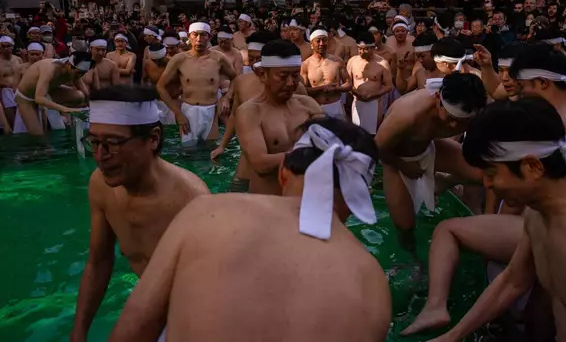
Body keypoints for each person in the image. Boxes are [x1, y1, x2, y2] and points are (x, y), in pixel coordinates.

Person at [107, 117, 391, 342]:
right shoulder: (373, 282)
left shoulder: (208, 212)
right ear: (357, 200)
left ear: (283, 172)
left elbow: (133, 330)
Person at [425, 97, 566, 342]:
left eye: (491, 173)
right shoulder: (537, 213)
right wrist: (452, 337)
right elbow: (513, 281)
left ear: (532, 166)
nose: (486, 184)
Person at [70, 85, 210, 342]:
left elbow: (214, 285)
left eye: (112, 143)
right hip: (151, 305)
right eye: (94, 142)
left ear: (153, 138)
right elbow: (99, 261)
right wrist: (78, 332)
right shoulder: (99, 185)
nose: (100, 156)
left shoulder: (191, 199)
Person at [376, 72, 486, 255]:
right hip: (397, 160)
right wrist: (404, 166)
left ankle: (444, 182)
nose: (452, 126)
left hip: (430, 147)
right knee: (405, 227)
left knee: (484, 175)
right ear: (437, 99)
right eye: (450, 118)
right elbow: (376, 148)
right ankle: (413, 260)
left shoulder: (474, 109)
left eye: (460, 122)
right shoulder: (408, 114)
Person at [476, 43, 566, 188]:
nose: (522, 94)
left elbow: (544, 188)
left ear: (543, 82)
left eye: (524, 87)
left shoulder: (563, 122)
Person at [211, 32, 308, 192]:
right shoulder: (241, 82)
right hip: (249, 165)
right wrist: (223, 145)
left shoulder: (295, 88)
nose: (254, 63)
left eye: (258, 59)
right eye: (251, 58)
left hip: (282, 165)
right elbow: (235, 115)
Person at [236, 40, 324, 195]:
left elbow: (330, 139)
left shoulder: (308, 105)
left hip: (303, 202)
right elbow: (261, 164)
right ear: (263, 75)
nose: (290, 83)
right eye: (283, 77)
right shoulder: (250, 112)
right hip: (267, 204)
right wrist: (308, 153)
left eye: (295, 76)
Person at [156, 22, 237, 147]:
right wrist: (178, 113)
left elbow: (235, 77)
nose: (199, 39)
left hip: (210, 110)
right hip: (188, 112)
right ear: (189, 36)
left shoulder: (218, 58)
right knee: (188, 152)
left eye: (203, 35)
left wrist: (227, 98)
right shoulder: (179, 59)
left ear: (209, 37)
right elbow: (160, 87)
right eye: (195, 35)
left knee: (210, 151)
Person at [13, 52, 93, 135]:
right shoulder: (50, 69)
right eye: (79, 73)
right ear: (69, 65)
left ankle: (65, 119)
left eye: (83, 73)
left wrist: (93, 109)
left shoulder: (75, 72)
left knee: (79, 96)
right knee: (39, 136)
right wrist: (65, 109)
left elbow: (86, 93)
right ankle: (61, 114)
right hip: (26, 98)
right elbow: (39, 98)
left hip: (47, 93)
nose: (80, 76)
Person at [346, 32, 394, 135]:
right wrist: (356, 93)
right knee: (357, 135)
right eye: (360, 48)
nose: (362, 52)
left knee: (373, 135)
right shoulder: (352, 61)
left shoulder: (382, 63)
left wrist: (372, 95)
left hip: (374, 102)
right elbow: (348, 83)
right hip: (357, 101)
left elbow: (389, 86)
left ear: (373, 48)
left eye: (366, 49)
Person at [300, 26, 351, 118]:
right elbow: (304, 90)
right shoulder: (305, 65)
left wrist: (336, 89)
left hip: (335, 106)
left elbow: (349, 84)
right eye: (318, 41)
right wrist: (321, 88)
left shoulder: (337, 61)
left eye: (325, 40)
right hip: (316, 108)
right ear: (311, 43)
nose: (322, 44)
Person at [144, 44, 178, 125]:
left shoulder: (175, 64)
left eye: (160, 60)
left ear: (165, 54)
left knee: (172, 131)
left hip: (173, 102)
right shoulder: (148, 64)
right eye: (154, 60)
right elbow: (144, 80)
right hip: (155, 102)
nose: (157, 63)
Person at [0, 35, 22, 131]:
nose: (5, 48)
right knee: (12, 122)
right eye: (2, 46)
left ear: (12, 46)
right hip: (6, 92)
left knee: (23, 120)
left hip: (20, 90)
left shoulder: (18, 59)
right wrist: (7, 85)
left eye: (8, 46)